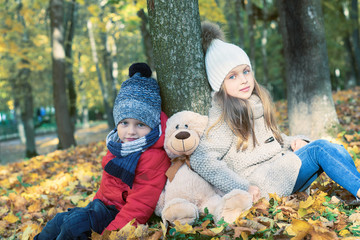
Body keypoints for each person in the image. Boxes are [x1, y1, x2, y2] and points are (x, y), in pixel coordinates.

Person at [190, 21, 360, 203]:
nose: (243, 80)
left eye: (246, 71)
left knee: (332, 148)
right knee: (321, 149)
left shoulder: (255, 103)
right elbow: (202, 160)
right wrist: (242, 187)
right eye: (233, 76)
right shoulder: (223, 116)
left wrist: (296, 141)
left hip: (279, 171)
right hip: (263, 184)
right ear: (219, 84)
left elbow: (271, 142)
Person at [34, 63, 170, 239]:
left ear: (152, 126)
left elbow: (140, 205)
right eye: (124, 123)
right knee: (59, 221)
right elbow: (106, 186)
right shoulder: (118, 146)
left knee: (73, 228)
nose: (131, 131)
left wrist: (110, 235)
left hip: (118, 215)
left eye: (140, 124)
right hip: (100, 207)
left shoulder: (153, 156)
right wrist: (90, 209)